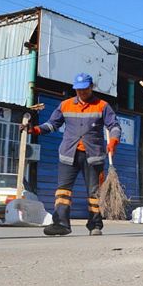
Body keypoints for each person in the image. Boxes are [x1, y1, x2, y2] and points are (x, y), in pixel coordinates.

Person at [25, 73, 121, 236]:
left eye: (84, 89)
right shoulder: (65, 105)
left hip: (94, 156)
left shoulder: (102, 106)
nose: (81, 92)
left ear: (91, 87)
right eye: (78, 89)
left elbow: (114, 126)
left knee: (94, 192)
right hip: (68, 154)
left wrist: (113, 141)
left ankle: (95, 224)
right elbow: (52, 124)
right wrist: (35, 130)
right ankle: (61, 224)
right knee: (63, 191)